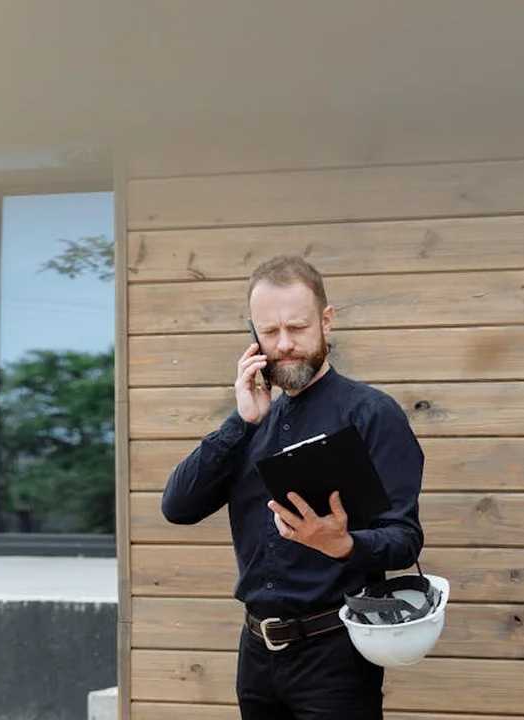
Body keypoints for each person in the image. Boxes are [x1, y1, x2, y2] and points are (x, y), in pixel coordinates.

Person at [160, 255, 425, 719]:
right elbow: (178, 506)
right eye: (270, 331)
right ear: (253, 336)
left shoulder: (371, 414)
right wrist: (239, 421)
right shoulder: (249, 422)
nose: (285, 344)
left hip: (336, 655)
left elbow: (404, 540)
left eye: (297, 328)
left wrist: (342, 545)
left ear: (326, 320)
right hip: (257, 654)